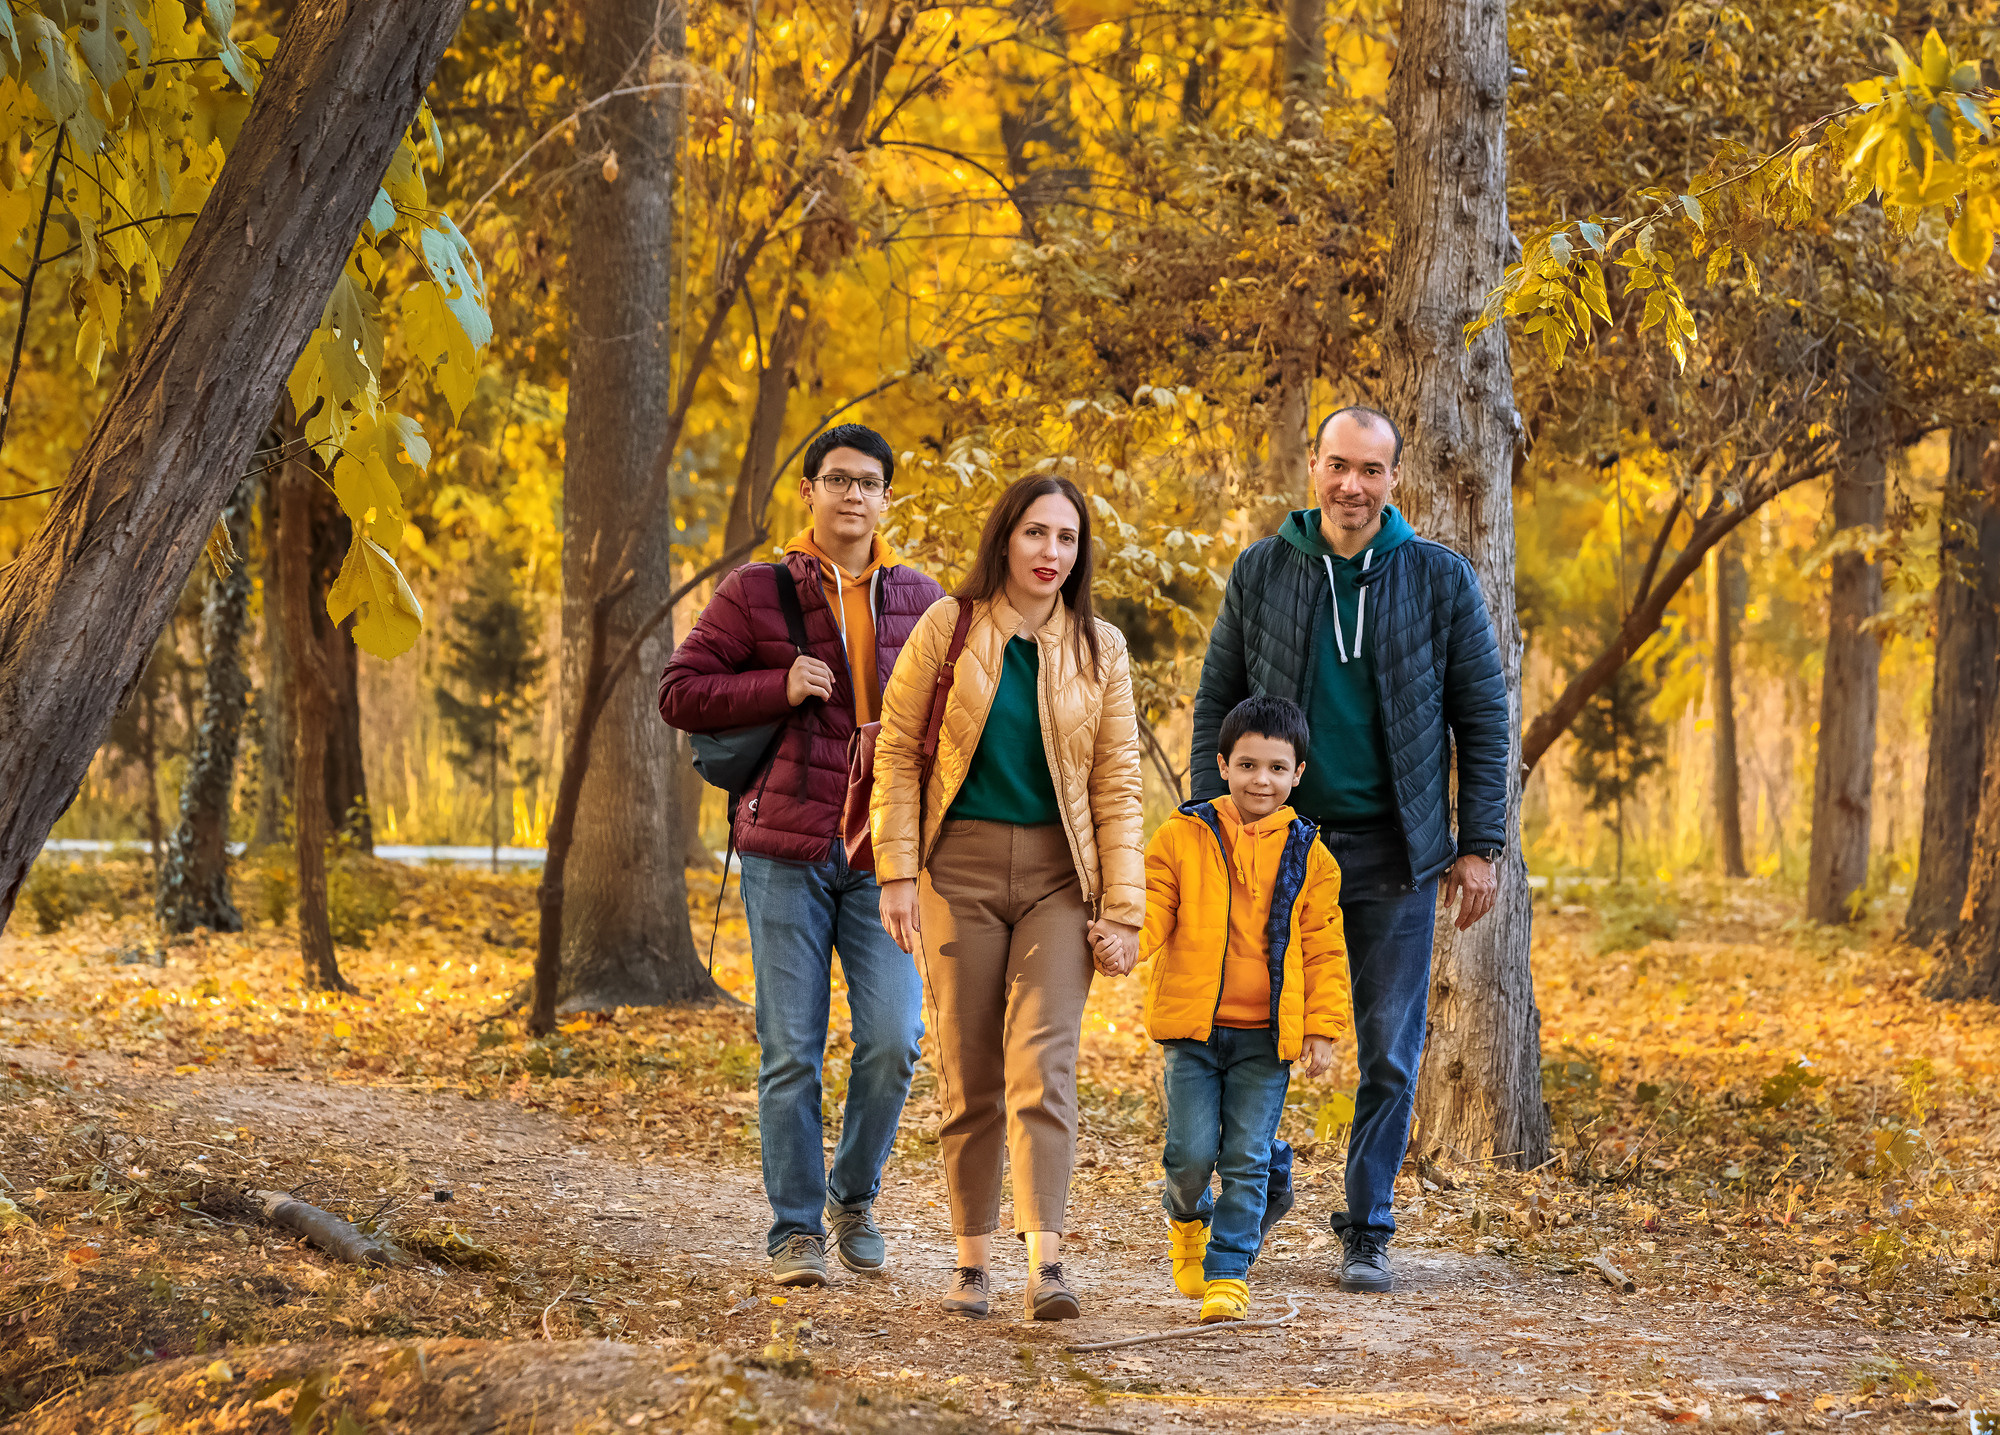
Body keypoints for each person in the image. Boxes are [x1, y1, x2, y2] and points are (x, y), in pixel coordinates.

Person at [1189, 406, 1509, 1295]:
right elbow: (1218, 698)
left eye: (1371, 469)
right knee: (1256, 1033)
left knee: (1389, 1049)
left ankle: (1367, 1225)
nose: (1352, 485)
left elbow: (1483, 719)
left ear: (1393, 480)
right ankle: (1266, 1177)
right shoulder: (1264, 569)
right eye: (1338, 465)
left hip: (1397, 853)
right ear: (1314, 468)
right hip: (1279, 850)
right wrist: (1202, 814)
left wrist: (1480, 843)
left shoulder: (1440, 578)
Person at [658, 423, 944, 1288]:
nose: (853, 495)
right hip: (784, 848)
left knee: (894, 1037)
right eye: (837, 480)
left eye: (869, 483)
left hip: (883, 851)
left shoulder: (922, 597)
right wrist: (775, 685)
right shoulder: (756, 591)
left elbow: (957, 718)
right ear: (811, 492)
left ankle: (853, 1196)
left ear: (887, 498)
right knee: (790, 1047)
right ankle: (794, 1228)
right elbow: (679, 690)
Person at [870, 473, 1144, 1322]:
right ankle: (970, 1266)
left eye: (1066, 538)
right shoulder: (948, 627)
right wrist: (897, 871)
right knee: (971, 1070)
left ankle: (1048, 1265)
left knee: (1044, 1066)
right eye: (1035, 533)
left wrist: (1124, 909)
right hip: (961, 871)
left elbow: (1118, 783)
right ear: (1005, 538)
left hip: (1063, 883)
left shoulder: (1101, 648)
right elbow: (900, 757)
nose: (1050, 553)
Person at [1139, 694, 1348, 1324]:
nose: (1263, 780)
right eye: (1249, 765)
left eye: (1277, 768)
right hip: (1194, 1030)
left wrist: (1323, 1028)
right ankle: (1186, 1221)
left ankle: (1229, 1273)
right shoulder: (1181, 837)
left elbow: (1323, 947)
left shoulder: (1310, 856)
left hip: (1266, 1036)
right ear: (1223, 764)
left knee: (1246, 1159)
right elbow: (1152, 909)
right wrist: (1120, 941)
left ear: (1298, 775)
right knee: (1190, 1155)